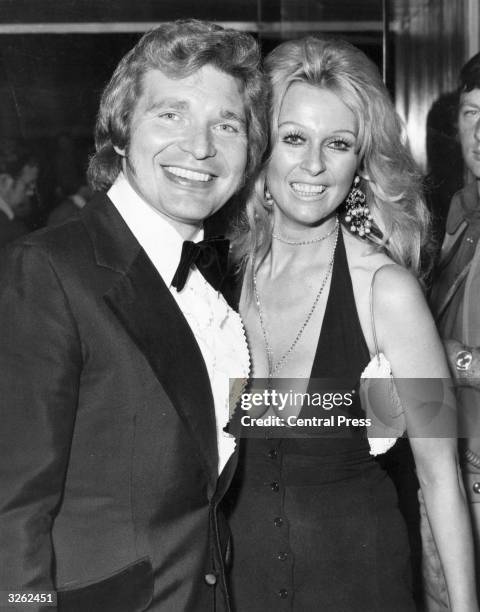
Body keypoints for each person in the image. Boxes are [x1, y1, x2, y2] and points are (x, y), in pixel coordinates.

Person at [0, 20, 265, 612]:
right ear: (120, 134)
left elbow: (231, 421)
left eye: (226, 124)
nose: (200, 147)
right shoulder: (47, 270)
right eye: (170, 114)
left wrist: (391, 401)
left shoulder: (208, 283)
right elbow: (10, 508)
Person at [223, 37, 478, 611]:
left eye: (337, 144)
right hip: (238, 588)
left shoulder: (389, 292)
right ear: (262, 144)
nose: (314, 165)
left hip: (358, 587)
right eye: (294, 138)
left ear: (361, 159)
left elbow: (441, 476)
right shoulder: (220, 276)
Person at [429, 51, 480, 606]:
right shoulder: (461, 213)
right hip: (447, 472)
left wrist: (453, 359)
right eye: (471, 113)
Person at [0, 139, 38, 247]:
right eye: (27, 185)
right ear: (5, 183)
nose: (30, 192)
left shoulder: (9, 220)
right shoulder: (5, 227)